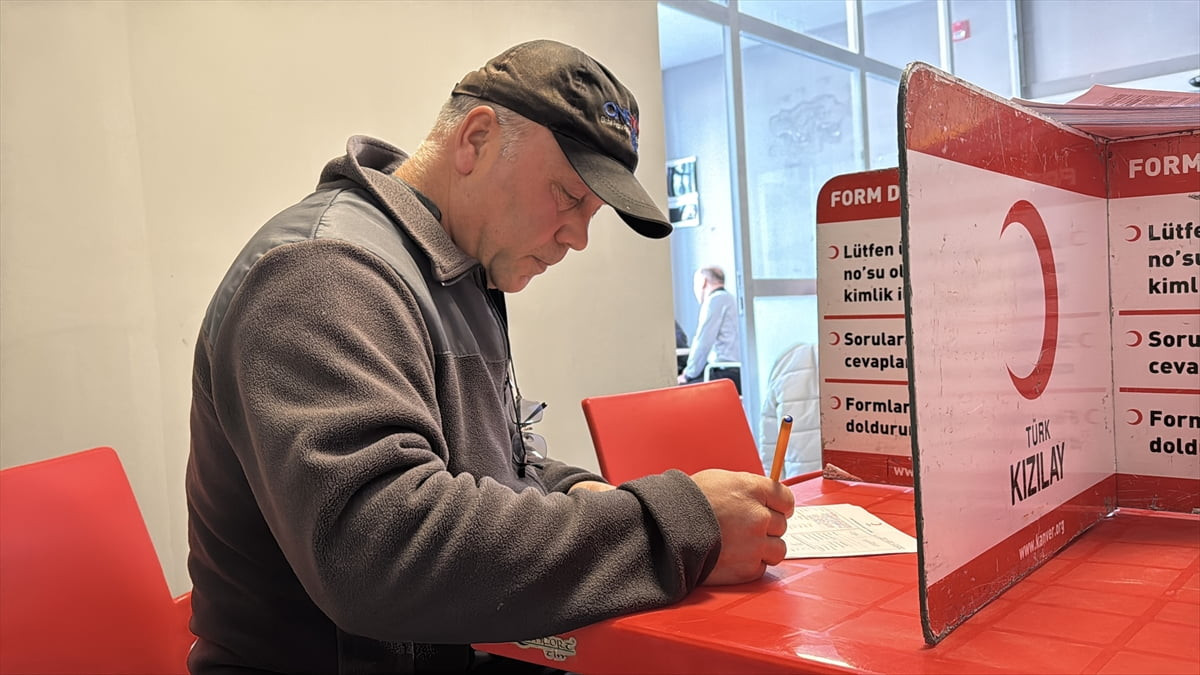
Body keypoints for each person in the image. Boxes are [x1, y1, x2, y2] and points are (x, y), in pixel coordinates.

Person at [185, 40, 793, 674]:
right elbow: (385, 551)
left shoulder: (457, 275)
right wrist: (677, 526)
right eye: (567, 195)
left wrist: (594, 494)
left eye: (592, 214)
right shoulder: (326, 272)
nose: (579, 237)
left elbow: (498, 465)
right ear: (474, 138)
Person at [677, 265, 742, 393]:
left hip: (725, 372)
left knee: (681, 391)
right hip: (738, 371)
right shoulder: (730, 299)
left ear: (703, 282)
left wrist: (687, 374)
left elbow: (703, 342)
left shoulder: (714, 301)